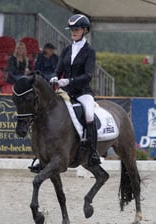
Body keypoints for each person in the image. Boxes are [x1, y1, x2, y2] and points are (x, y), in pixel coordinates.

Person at [50, 14, 101, 167]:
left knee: (89, 114)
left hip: (83, 92)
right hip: (65, 92)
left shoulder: (89, 51)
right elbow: (57, 70)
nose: (73, 32)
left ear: (84, 30)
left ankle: (92, 153)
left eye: (76, 29)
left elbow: (88, 76)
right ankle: (44, 153)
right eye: (71, 29)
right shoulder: (66, 50)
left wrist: (70, 80)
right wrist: (54, 77)